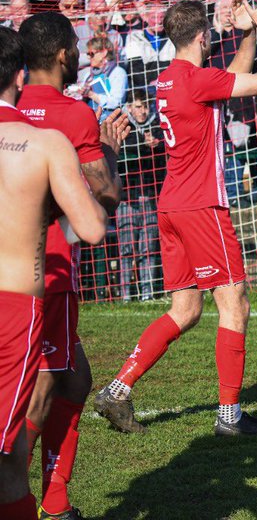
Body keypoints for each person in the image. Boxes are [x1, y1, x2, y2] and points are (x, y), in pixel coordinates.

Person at [94, 0, 257, 439]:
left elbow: (233, 75)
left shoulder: (172, 77)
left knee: (184, 309)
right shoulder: (196, 81)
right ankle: (229, 418)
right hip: (202, 206)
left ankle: (118, 389)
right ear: (202, 37)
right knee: (234, 306)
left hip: (172, 205)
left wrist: (246, 37)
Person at [17, 12, 129, 520]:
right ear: (65, 55)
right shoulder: (77, 114)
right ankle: (26, 495)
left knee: (76, 379)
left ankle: (56, 500)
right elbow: (105, 196)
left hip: (11, 271)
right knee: (41, 390)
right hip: (51, 272)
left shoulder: (10, 106)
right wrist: (109, 148)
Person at [0, 26, 109, 520]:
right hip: (32, 290)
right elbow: (96, 217)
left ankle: (58, 499)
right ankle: (49, 503)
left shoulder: (30, 117)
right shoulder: (57, 130)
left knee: (75, 379)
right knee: (23, 422)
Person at [116, 92, 168, 301]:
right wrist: (141, 144)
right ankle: (126, 296)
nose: (142, 111)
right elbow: (120, 153)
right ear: (129, 108)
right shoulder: (124, 128)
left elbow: (165, 156)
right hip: (127, 198)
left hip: (149, 197)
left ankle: (147, 294)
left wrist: (156, 145)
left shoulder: (158, 128)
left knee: (148, 247)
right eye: (137, 106)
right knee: (126, 248)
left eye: (145, 107)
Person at [78, 35, 129, 120]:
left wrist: (91, 94)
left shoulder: (118, 73)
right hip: (91, 121)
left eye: (91, 54)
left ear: (104, 53)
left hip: (111, 122)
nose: (88, 57)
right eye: (88, 54)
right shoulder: (89, 75)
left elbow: (116, 102)